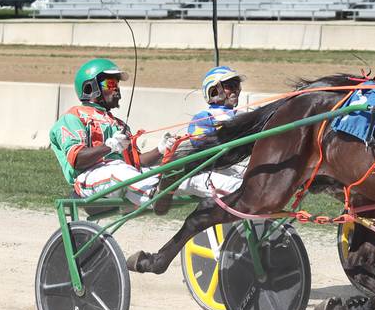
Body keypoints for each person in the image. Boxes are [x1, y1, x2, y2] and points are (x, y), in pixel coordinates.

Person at [49, 58, 242, 208]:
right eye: (110, 84)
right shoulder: (74, 116)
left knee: (182, 173)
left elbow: (136, 163)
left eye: (117, 85)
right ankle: (157, 191)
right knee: (118, 171)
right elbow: (77, 159)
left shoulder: (118, 125)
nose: (116, 90)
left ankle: (241, 191)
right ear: (90, 88)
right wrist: (108, 146)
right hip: (88, 178)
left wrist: (160, 149)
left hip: (127, 175)